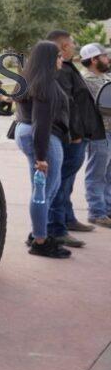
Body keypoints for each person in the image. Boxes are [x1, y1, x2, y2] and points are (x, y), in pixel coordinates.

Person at [46, 30, 104, 246]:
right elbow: (65, 105)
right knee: (60, 184)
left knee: (66, 183)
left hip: (78, 135)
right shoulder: (59, 70)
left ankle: (67, 219)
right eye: (71, 43)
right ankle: (57, 229)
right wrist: (74, 133)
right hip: (71, 137)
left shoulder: (67, 66)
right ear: (62, 47)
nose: (74, 46)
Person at [15, 40, 72, 258]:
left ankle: (38, 233)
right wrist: (41, 156)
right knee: (45, 191)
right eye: (58, 56)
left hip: (29, 132)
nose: (62, 59)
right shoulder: (45, 84)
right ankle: (40, 241)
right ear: (49, 60)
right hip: (42, 138)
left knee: (44, 189)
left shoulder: (30, 79)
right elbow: (42, 122)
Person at [79, 42, 111, 228]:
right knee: (97, 173)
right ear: (94, 60)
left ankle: (107, 209)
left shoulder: (105, 77)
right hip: (99, 133)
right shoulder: (88, 81)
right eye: (104, 56)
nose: (108, 59)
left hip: (109, 132)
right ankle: (97, 212)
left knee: (108, 174)